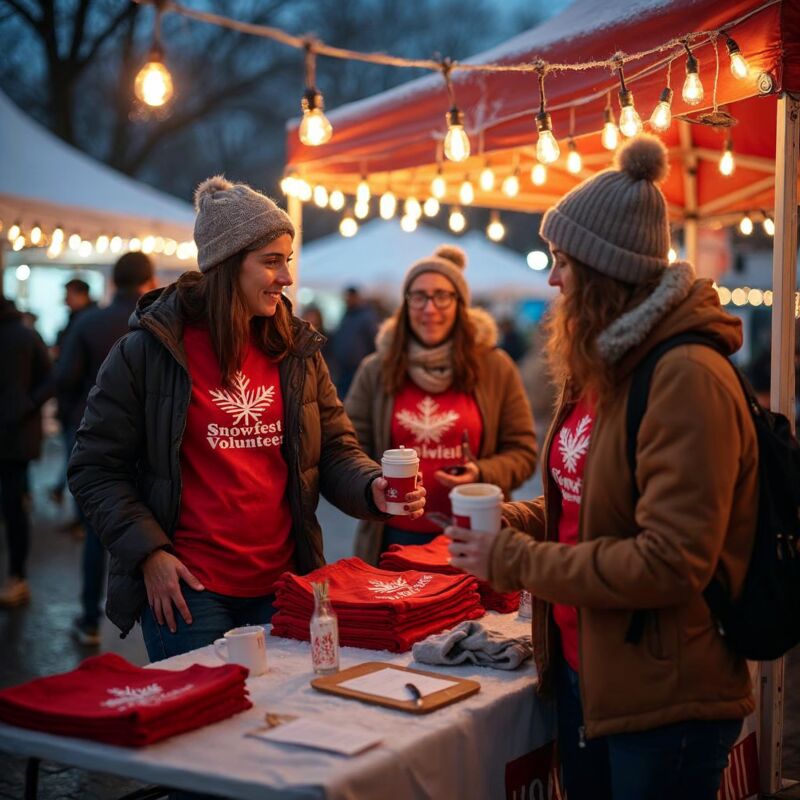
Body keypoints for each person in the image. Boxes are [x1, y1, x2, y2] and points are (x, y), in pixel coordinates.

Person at [448, 136, 757, 800]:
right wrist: (513, 516)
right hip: (591, 676)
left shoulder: (684, 375)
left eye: (562, 262)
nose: (552, 278)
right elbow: (585, 505)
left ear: (602, 271)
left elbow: (670, 561)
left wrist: (515, 560)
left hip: (663, 699)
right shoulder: (605, 366)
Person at [68, 176, 425, 662]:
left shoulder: (295, 351)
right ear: (226, 265)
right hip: (190, 592)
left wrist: (371, 488)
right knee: (207, 730)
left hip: (281, 585)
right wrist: (149, 553)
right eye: (271, 262)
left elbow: (336, 449)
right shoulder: (147, 352)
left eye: (287, 261)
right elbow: (94, 468)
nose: (286, 278)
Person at [345, 244, 538, 562]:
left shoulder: (494, 366)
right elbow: (349, 448)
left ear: (460, 304)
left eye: (442, 296)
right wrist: (373, 482)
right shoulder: (377, 369)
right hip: (394, 538)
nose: (429, 308)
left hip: (473, 535)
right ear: (406, 305)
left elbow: (523, 451)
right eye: (418, 296)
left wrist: (480, 473)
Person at [56, 254, 157, 645]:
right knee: (148, 524)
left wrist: (73, 413)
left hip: (90, 432)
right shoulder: (157, 325)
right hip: (146, 442)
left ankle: (89, 617)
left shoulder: (89, 322)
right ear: (148, 282)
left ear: (113, 281)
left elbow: (64, 377)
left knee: (98, 531)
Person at [0, 291, 51, 607]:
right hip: (17, 434)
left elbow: (50, 380)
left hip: (14, 435)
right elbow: (50, 380)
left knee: (14, 507)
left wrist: (24, 405)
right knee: (14, 507)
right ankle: (17, 577)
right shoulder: (27, 334)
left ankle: (18, 577)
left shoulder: (24, 335)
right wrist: (27, 405)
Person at [50, 278, 95, 510]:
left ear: (81, 294)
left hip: (81, 404)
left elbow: (69, 374)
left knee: (78, 462)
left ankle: (82, 520)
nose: (65, 300)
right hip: (83, 404)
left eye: (69, 294)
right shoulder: (83, 320)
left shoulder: (84, 322)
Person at [330, 285, 378, 397]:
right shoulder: (346, 315)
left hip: (358, 369)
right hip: (342, 369)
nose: (347, 300)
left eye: (349, 297)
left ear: (356, 297)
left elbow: (374, 341)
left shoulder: (367, 316)